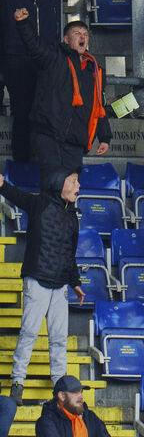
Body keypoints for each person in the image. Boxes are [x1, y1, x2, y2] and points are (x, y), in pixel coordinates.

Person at [0, 0, 108, 159]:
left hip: (49, 62)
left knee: (48, 113)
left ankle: (48, 165)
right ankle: (21, 165)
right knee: (22, 112)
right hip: (18, 60)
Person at [0, 171, 79, 400]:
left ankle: (59, 384)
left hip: (60, 284)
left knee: (59, 338)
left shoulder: (73, 216)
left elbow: (70, 254)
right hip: (37, 279)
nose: (78, 186)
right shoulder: (40, 204)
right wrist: (3, 185)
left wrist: (75, 282)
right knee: (29, 333)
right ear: (60, 184)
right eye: (73, 181)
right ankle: (18, 381)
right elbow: (18, 196)